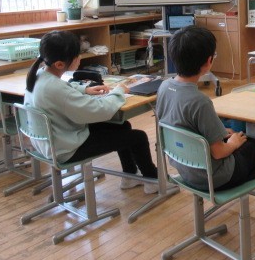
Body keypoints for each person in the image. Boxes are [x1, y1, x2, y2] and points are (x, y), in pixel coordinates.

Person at [156, 25, 255, 217]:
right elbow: (219, 151)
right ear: (208, 61)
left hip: (185, 169)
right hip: (215, 177)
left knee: (245, 139)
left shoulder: (164, 87)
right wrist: (232, 143)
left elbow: (185, 127)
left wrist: (223, 134)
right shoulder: (200, 102)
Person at [24, 30, 159, 194]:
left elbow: (63, 89)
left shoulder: (39, 75)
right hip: (66, 149)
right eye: (77, 56)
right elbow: (99, 110)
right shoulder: (55, 88)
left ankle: (130, 176)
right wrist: (118, 91)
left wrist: (84, 89)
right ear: (59, 64)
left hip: (52, 141)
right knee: (138, 137)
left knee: (122, 126)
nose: (80, 58)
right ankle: (154, 181)